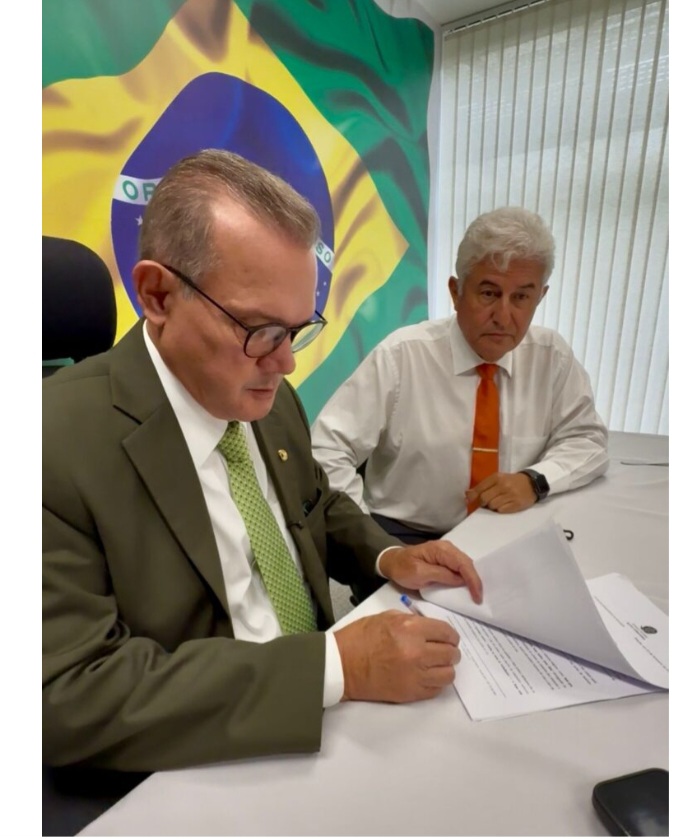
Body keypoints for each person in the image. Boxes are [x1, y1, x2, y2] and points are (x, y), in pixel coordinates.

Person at [42, 149, 483, 772]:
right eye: (259, 330)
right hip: (194, 755)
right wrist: (337, 666)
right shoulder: (49, 445)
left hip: (332, 717)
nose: (286, 362)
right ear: (157, 295)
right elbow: (69, 693)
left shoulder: (267, 395)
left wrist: (388, 556)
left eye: (296, 330)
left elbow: (313, 503)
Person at [311, 207, 609, 543]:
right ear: (456, 292)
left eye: (521, 297)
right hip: (409, 535)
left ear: (540, 296)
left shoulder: (551, 357)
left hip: (510, 530)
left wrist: (535, 481)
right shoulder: (401, 356)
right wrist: (371, 541)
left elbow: (587, 439)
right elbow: (325, 451)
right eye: (489, 293)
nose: (503, 316)